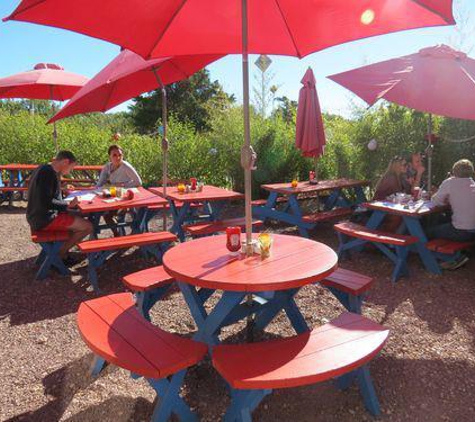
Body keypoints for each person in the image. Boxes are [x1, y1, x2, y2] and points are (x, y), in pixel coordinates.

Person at [26, 151, 93, 266]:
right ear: (65, 162)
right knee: (88, 227)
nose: (70, 171)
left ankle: (61, 251)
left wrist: (63, 190)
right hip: (44, 219)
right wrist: (68, 205)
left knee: (79, 216)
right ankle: (60, 254)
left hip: (36, 215)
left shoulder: (44, 168)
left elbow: (46, 194)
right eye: (71, 168)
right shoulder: (48, 173)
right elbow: (46, 201)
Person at [429, 159, 475, 269]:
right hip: (473, 231)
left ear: (454, 171)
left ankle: (452, 258)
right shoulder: (473, 184)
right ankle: (460, 254)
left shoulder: (450, 182)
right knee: (442, 219)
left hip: (461, 232)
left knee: (428, 231)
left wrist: (436, 194)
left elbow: (436, 202)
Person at [96, 145, 142, 236]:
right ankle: (117, 235)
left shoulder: (126, 166)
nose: (118, 157)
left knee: (108, 215)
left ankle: (120, 236)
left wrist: (123, 186)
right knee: (104, 214)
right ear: (109, 156)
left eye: (120, 155)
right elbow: (99, 184)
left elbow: (139, 182)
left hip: (127, 196)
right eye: (114, 155)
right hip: (114, 194)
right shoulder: (107, 167)